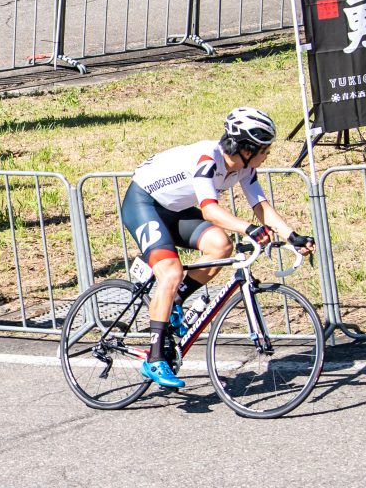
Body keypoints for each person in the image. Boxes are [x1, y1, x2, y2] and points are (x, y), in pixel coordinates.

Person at [121, 107, 316, 389]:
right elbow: (210, 210)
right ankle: (155, 358)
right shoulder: (208, 159)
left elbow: (260, 205)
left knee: (221, 246)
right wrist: (249, 229)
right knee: (171, 273)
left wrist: (292, 236)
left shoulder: (245, 168)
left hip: (175, 210)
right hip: (144, 204)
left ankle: (176, 299)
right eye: (264, 150)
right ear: (246, 149)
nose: (267, 155)